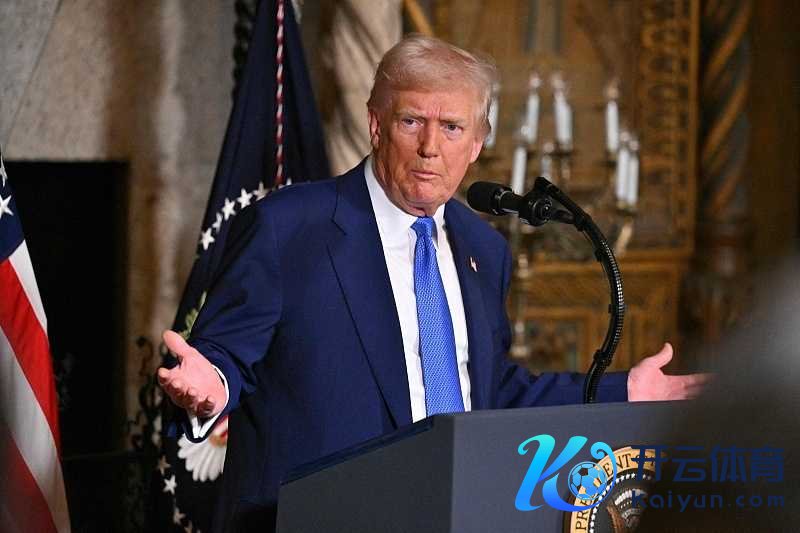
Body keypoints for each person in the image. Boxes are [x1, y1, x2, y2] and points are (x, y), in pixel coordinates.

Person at [157, 35, 707, 532]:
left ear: (477, 143)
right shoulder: (289, 226)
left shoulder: (483, 248)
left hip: (451, 513)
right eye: (411, 121)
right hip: (315, 517)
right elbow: (226, 355)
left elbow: (490, 390)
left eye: (452, 127)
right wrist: (211, 388)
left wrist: (623, 392)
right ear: (376, 125)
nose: (430, 146)